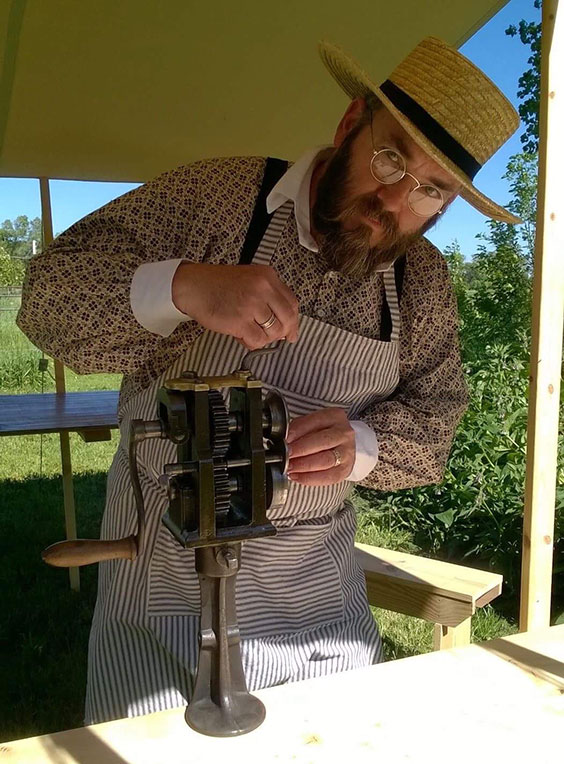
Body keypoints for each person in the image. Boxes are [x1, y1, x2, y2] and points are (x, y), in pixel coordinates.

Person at [17, 36, 520, 724]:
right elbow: (47, 300)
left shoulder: (421, 281)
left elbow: (434, 427)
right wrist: (187, 286)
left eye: (430, 190)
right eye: (391, 157)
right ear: (349, 126)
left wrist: (362, 445)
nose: (393, 201)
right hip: (167, 581)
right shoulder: (221, 200)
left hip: (318, 612)